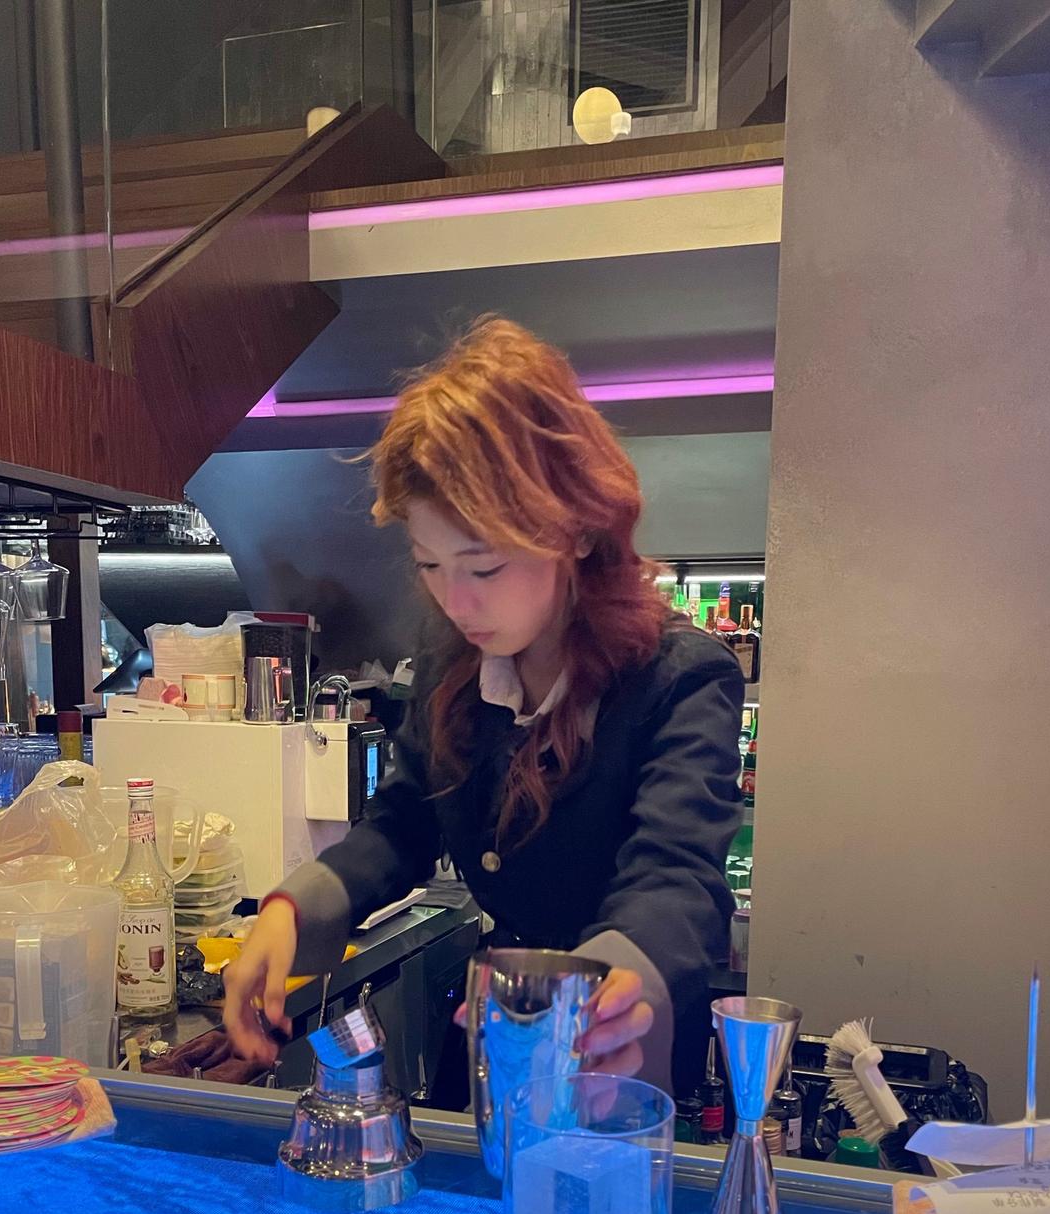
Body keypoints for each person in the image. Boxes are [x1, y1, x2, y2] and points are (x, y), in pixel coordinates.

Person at [223, 318, 744, 1094]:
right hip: (491, 1034)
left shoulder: (679, 677)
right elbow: (404, 821)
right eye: (430, 564)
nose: (455, 602)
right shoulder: (454, 662)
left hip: (617, 1050)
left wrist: (610, 986)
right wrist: (295, 910)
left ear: (576, 530)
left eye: (485, 567)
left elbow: (675, 880)